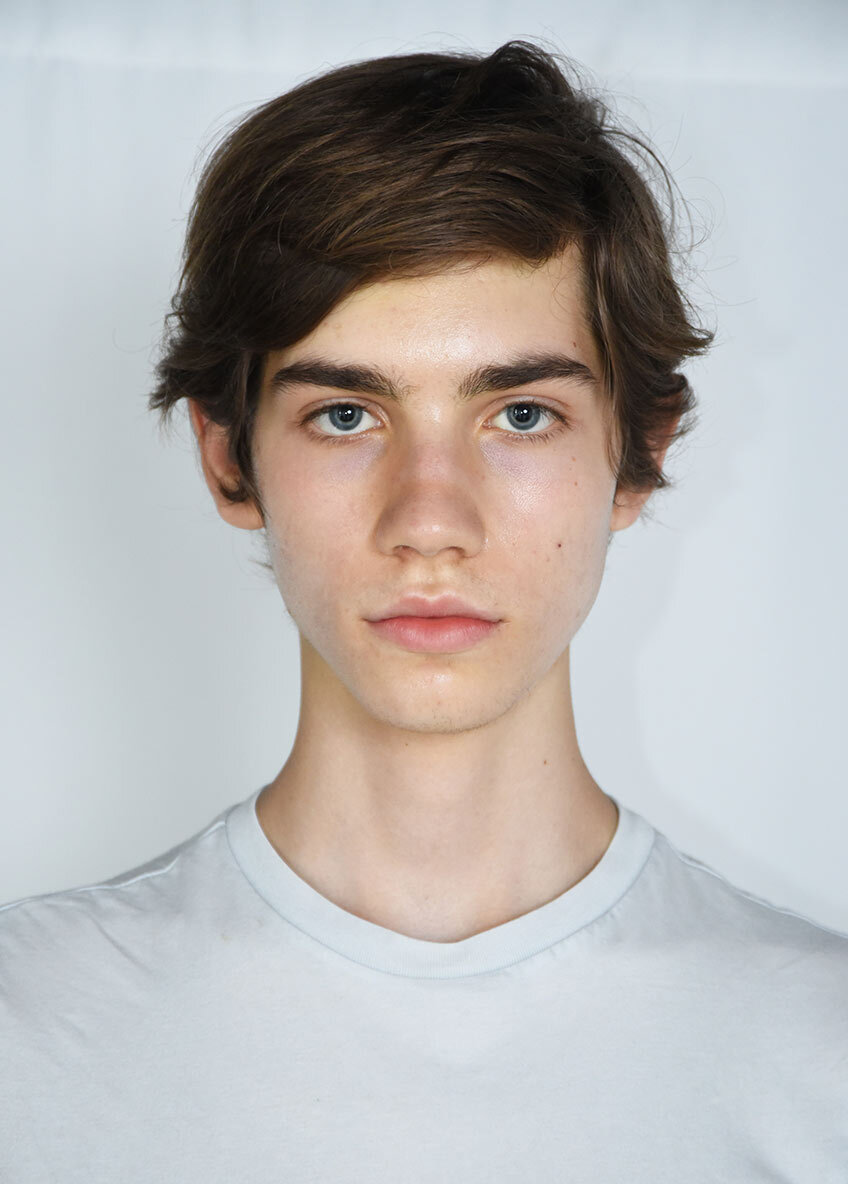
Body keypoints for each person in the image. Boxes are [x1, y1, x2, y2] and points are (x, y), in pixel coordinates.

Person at [2, 39, 846, 1182]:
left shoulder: (819, 1058)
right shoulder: (27, 1032)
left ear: (635, 454)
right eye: (346, 415)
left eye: (521, 414)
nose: (430, 520)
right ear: (228, 459)